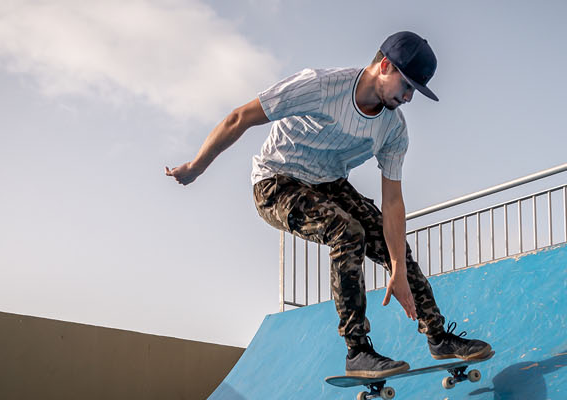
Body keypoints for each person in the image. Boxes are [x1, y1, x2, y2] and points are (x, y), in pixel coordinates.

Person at [165, 31, 492, 377]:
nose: (409, 97)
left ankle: (437, 336)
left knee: (391, 243)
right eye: (406, 86)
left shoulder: (393, 129)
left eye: (414, 91)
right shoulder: (319, 86)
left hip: (329, 184)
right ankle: (358, 351)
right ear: (384, 65)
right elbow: (239, 117)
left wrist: (397, 266)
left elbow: (393, 201)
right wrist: (196, 167)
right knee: (346, 232)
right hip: (275, 182)